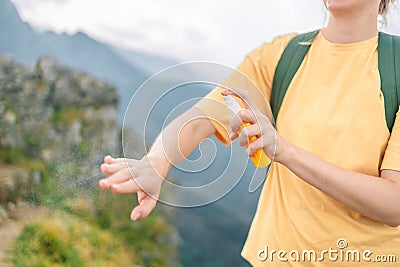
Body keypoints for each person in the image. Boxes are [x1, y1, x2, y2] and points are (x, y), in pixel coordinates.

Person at [99, 0, 400, 266]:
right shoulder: (281, 56)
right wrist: (157, 163)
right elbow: (205, 115)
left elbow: (393, 204)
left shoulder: (395, 68)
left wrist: (286, 152)